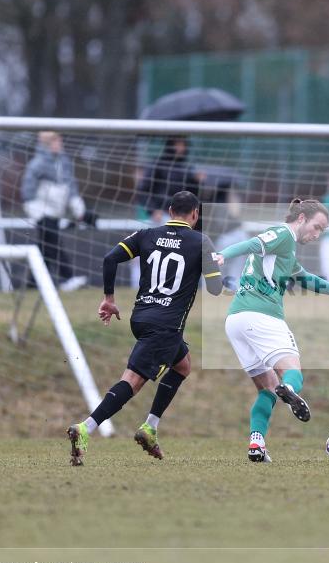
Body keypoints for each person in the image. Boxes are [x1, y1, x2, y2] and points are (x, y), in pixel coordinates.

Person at [66, 191, 223, 466]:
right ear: (195, 214)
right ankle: (86, 427)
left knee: (183, 365)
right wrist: (215, 264)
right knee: (133, 381)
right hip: (166, 326)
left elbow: (110, 259)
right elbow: (215, 288)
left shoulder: (147, 234)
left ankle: (150, 427)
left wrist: (109, 299)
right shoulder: (201, 242)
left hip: (140, 318)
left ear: (170, 211)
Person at [216, 199, 329, 462]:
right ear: (301, 219)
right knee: (292, 372)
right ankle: (288, 388)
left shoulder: (286, 251)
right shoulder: (283, 234)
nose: (317, 235)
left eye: (322, 231)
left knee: (267, 389)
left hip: (236, 320)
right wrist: (223, 255)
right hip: (262, 316)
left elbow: (307, 279)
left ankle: (257, 443)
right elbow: (253, 243)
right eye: (317, 227)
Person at [20, 131, 88, 291]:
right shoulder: (37, 164)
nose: (59, 145)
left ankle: (32, 283)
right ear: (47, 144)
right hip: (42, 212)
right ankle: (67, 277)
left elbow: (70, 185)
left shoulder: (64, 162)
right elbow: (28, 189)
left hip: (56, 212)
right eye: (56, 142)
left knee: (45, 248)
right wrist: (33, 208)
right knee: (54, 243)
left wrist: (76, 204)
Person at [136, 136, 204, 225]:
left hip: (182, 215)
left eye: (183, 145)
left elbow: (192, 194)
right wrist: (153, 210)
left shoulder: (187, 168)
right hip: (160, 215)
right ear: (170, 146)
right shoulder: (157, 164)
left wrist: (196, 182)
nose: (181, 148)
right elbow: (143, 191)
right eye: (178, 145)